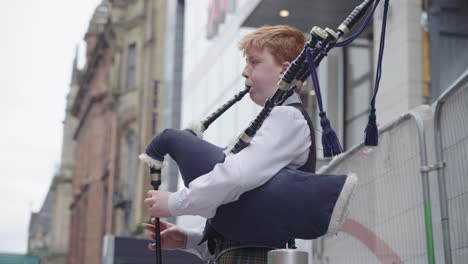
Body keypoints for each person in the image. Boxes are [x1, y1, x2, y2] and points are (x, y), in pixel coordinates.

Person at [143, 25, 316, 263]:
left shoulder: (288, 118)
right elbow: (243, 223)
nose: (245, 73)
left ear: (284, 71)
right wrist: (189, 240)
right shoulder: (274, 120)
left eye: (254, 63)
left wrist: (175, 202)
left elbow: (235, 177)